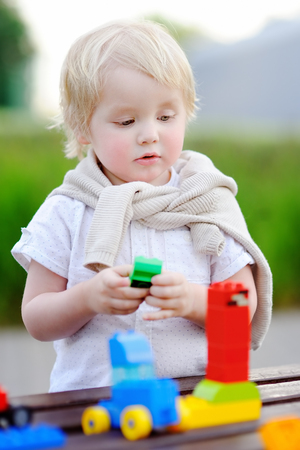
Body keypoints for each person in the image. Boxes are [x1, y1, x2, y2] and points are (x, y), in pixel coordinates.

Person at [12, 20, 272, 392]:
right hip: (91, 407)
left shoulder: (207, 202)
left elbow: (242, 307)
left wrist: (194, 301)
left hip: (196, 402)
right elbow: (36, 317)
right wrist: (88, 297)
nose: (150, 133)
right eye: (127, 120)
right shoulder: (69, 209)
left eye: (166, 117)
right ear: (83, 128)